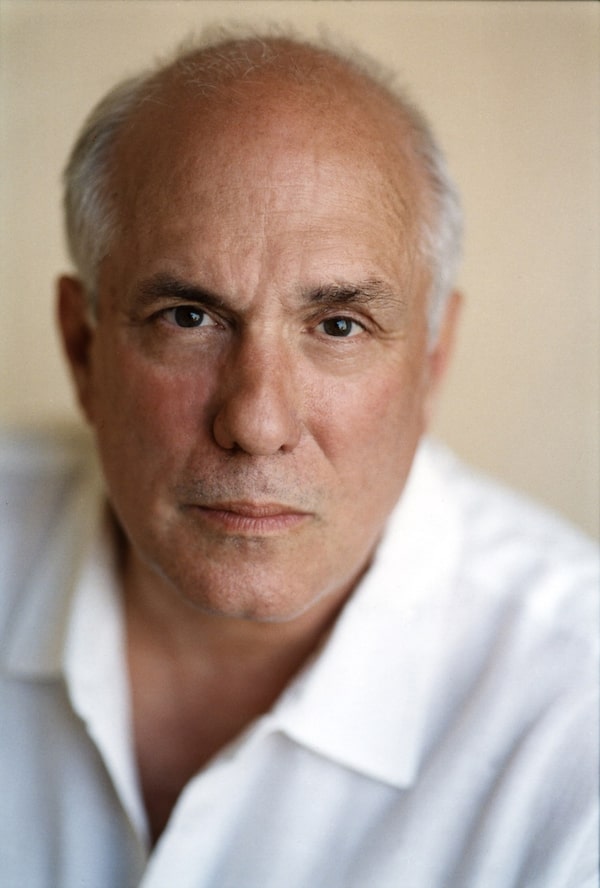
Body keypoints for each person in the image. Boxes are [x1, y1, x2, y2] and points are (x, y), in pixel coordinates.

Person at [0, 30, 597, 888]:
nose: (256, 421)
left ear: (432, 363)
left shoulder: (577, 724)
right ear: (82, 348)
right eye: (188, 318)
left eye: (339, 326)